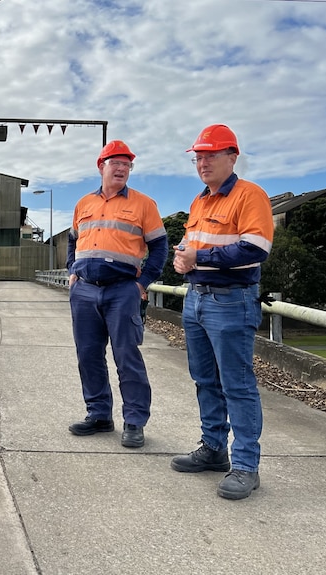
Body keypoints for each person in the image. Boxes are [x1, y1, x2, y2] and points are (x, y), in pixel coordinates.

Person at [171, 124, 274, 500]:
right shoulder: (200, 201)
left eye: (211, 155)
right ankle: (214, 448)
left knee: (237, 384)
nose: (203, 163)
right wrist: (182, 257)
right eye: (199, 157)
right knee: (204, 379)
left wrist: (201, 257)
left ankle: (245, 465)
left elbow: (255, 249)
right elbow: (191, 242)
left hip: (232, 301)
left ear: (233, 156)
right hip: (196, 298)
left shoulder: (250, 196)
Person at [66, 140, 168, 448]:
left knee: (127, 356)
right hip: (84, 290)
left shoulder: (143, 204)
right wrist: (72, 269)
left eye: (127, 164)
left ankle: (134, 421)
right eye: (116, 163)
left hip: (123, 290)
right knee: (88, 356)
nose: (122, 168)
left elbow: (160, 246)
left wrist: (143, 282)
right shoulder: (83, 204)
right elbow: (73, 240)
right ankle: (98, 415)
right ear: (102, 167)